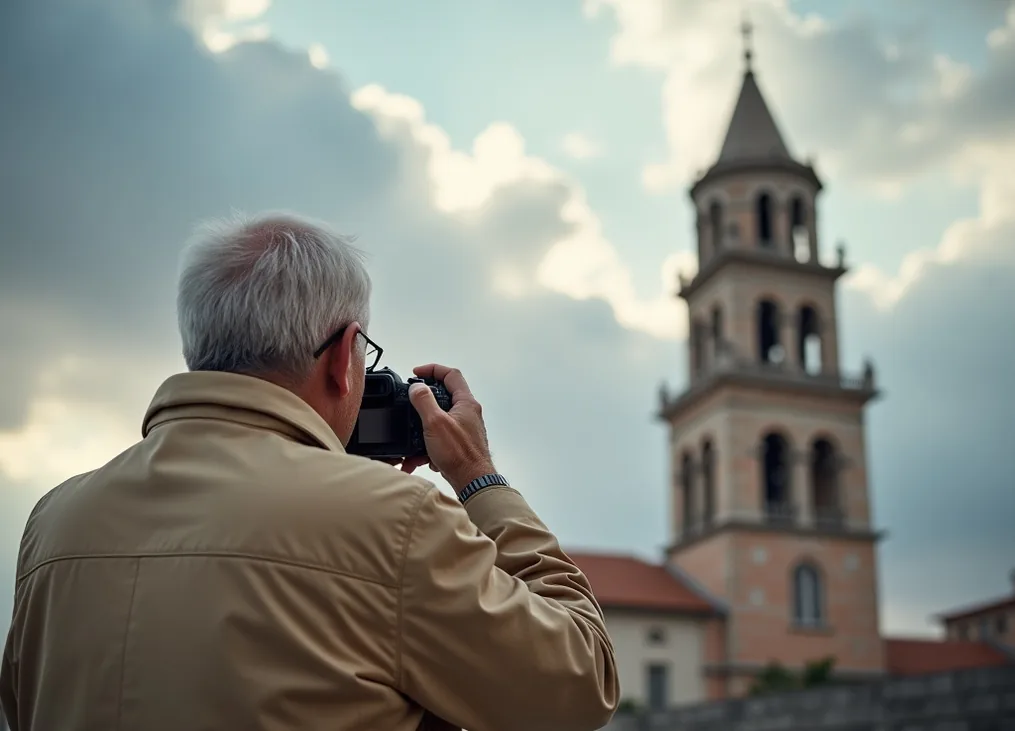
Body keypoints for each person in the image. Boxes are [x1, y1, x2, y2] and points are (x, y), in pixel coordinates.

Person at [0, 213, 619, 731]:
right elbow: (580, 683)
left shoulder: (55, 520)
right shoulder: (393, 518)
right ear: (347, 355)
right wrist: (479, 477)